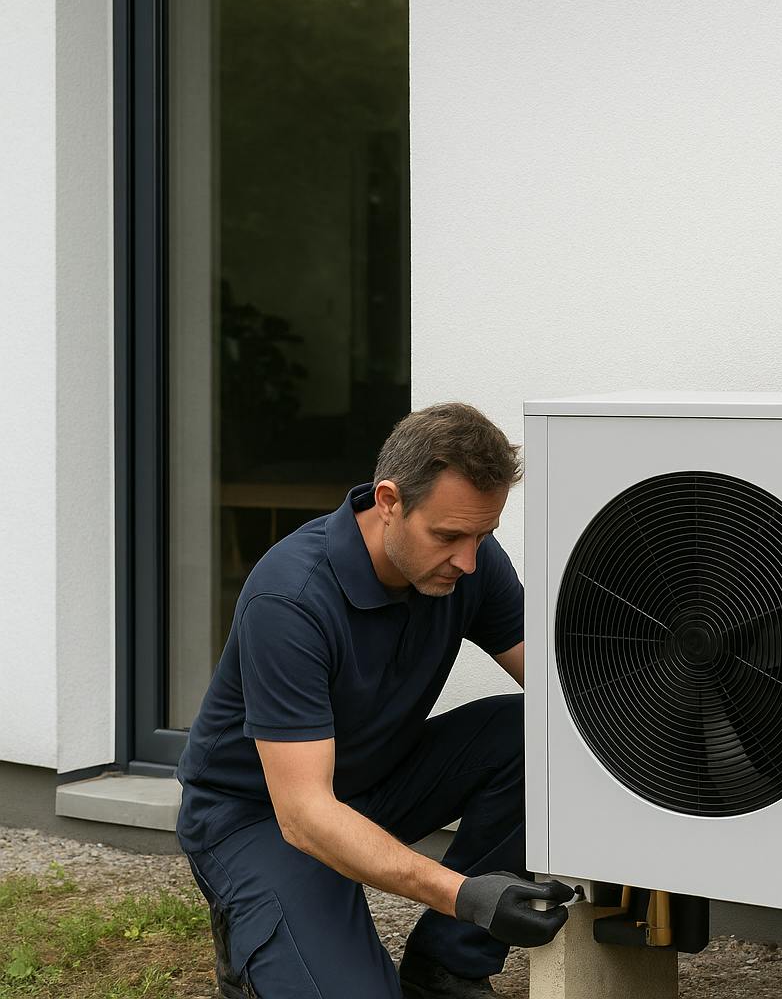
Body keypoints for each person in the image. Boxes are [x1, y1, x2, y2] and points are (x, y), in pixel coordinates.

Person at [175, 402, 572, 998]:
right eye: (448, 536)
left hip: (374, 783)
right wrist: (465, 895)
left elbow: (560, 693)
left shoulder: (469, 563)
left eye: (482, 535)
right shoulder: (291, 600)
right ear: (389, 501)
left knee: (533, 734)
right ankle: (257, 946)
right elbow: (305, 813)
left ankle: (446, 970)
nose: (468, 559)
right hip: (261, 819)